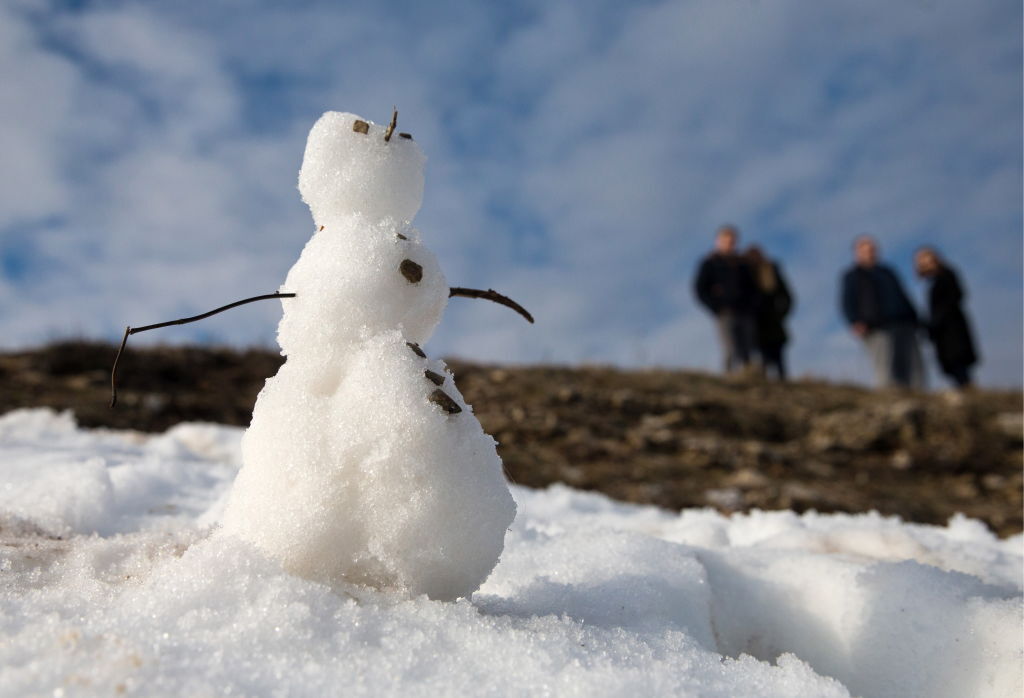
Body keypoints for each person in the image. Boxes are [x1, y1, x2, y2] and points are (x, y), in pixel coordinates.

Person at [840, 235, 924, 389]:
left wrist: (915, 318)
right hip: (876, 327)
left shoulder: (887, 272)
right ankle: (890, 397)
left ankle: (917, 394)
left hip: (903, 323)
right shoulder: (852, 276)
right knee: (885, 365)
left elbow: (903, 295)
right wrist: (854, 321)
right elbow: (847, 301)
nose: (870, 253)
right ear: (857, 253)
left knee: (912, 364)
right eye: (865, 250)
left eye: (872, 249)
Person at [694, 225, 758, 374]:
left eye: (732, 241)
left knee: (747, 350)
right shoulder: (710, 263)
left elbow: (753, 288)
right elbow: (699, 288)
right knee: (730, 349)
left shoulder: (742, 264)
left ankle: (749, 381)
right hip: (724, 313)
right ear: (718, 241)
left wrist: (752, 306)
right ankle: (729, 380)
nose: (730, 244)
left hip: (745, 313)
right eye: (726, 240)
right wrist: (715, 306)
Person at [914, 246, 979, 388]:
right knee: (952, 367)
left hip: (952, 330)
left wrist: (936, 321)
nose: (925, 264)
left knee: (957, 363)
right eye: (921, 262)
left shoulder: (946, 275)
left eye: (927, 260)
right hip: (942, 332)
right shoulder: (934, 281)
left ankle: (969, 390)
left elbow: (955, 297)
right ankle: (966, 389)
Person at [745, 245, 794, 379]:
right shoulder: (744, 273)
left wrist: (782, 313)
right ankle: (763, 381)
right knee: (761, 355)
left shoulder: (771, 270)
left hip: (773, 320)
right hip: (754, 321)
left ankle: (782, 383)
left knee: (778, 355)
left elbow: (787, 295)